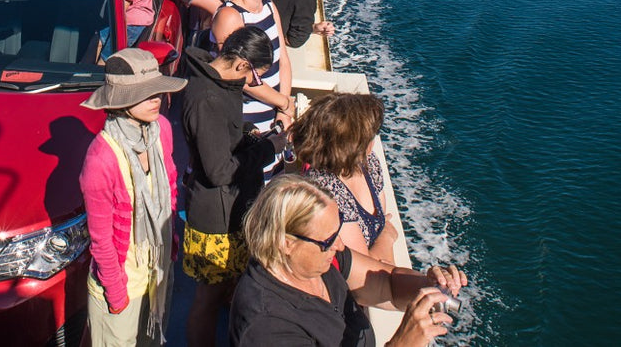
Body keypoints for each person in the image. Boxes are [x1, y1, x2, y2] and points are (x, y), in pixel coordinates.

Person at [229, 175, 465, 347]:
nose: (340, 245)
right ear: (285, 242)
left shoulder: (319, 262)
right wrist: (402, 343)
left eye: (338, 232)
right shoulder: (265, 325)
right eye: (328, 239)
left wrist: (429, 287)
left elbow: (387, 285)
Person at [79, 47, 186, 346]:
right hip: (122, 287)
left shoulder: (161, 129)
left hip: (157, 274)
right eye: (145, 94)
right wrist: (116, 295)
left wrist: (171, 246)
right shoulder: (100, 159)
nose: (156, 99)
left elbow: (172, 185)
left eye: (157, 91)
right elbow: (100, 240)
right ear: (120, 102)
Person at [181, 25, 279, 347]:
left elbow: (224, 140)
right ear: (241, 65)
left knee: (221, 291)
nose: (254, 85)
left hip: (229, 211)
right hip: (215, 219)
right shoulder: (207, 99)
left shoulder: (219, 85)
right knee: (207, 301)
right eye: (256, 77)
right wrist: (270, 148)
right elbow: (220, 171)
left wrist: (249, 136)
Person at [207, 0, 295, 164]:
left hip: (274, 114)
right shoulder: (230, 16)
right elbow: (235, 76)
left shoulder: (269, 6)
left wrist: (283, 109)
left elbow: (282, 58)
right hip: (246, 118)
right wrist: (282, 103)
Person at [291, 93, 398, 265]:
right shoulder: (325, 190)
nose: (374, 140)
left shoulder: (369, 163)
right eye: (372, 134)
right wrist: (386, 238)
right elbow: (364, 269)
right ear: (354, 145)